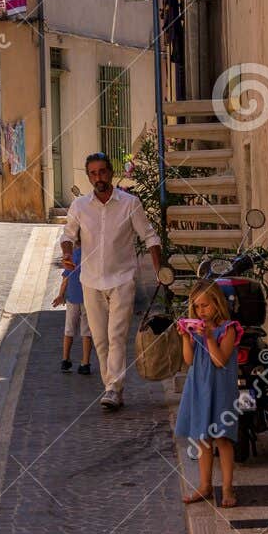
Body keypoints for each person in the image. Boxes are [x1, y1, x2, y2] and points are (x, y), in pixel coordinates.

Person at [60, 152, 163, 410]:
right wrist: (66, 253)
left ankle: (113, 389)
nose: (99, 178)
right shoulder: (80, 206)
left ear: (111, 172)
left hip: (122, 278)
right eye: (93, 173)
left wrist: (159, 268)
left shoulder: (130, 204)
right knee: (100, 339)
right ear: (88, 176)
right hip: (91, 280)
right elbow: (68, 234)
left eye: (102, 172)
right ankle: (112, 386)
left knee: (117, 336)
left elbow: (150, 237)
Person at [175, 280, 242, 509]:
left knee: (222, 438)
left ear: (217, 303)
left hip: (221, 390)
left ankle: (227, 487)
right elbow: (189, 360)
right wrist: (186, 337)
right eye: (196, 307)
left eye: (205, 306)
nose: (200, 311)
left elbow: (220, 360)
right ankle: (204, 486)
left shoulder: (229, 328)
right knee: (203, 438)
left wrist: (210, 338)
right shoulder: (197, 330)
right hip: (199, 388)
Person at [52, 235, 93, 374]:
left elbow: (66, 277)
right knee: (86, 332)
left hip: (72, 297)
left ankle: (65, 360)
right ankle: (85, 363)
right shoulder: (92, 256)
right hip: (88, 298)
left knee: (69, 330)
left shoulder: (73, 255)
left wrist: (60, 295)